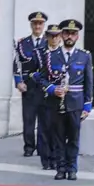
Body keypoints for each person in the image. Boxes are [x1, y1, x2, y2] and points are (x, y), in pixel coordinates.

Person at [39, 19, 92, 181]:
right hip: (56, 102)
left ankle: (72, 168)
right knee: (58, 137)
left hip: (75, 103)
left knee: (74, 138)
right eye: (67, 33)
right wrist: (52, 89)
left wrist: (88, 105)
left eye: (73, 33)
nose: (70, 36)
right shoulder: (51, 56)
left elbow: (89, 81)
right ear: (61, 35)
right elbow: (41, 78)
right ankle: (60, 168)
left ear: (77, 36)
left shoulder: (84, 56)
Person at [13, 11, 48, 157]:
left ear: (43, 25)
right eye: (35, 23)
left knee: (44, 119)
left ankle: (42, 147)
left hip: (44, 85)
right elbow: (16, 64)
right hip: (28, 85)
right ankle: (29, 146)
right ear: (31, 25)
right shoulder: (22, 43)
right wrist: (18, 82)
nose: (37, 26)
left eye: (40, 23)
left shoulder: (49, 42)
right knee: (28, 118)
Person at [32, 24, 63, 169]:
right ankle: (46, 160)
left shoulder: (64, 54)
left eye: (57, 35)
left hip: (59, 97)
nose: (54, 38)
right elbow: (31, 72)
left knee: (57, 130)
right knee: (44, 130)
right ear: (47, 37)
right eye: (51, 35)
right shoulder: (39, 53)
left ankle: (56, 158)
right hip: (43, 94)